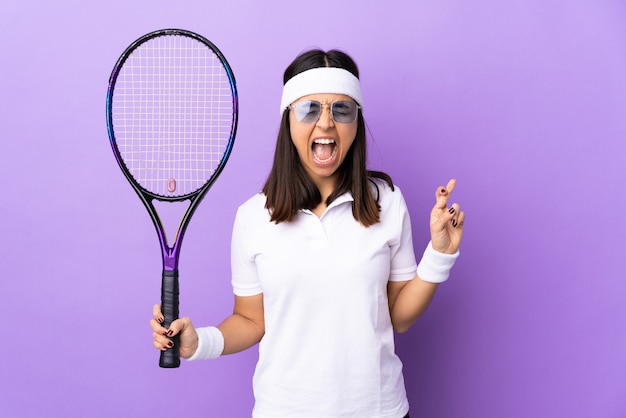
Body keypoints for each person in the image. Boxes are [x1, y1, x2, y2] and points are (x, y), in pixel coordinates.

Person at [150, 49, 465, 418]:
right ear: (289, 121)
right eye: (310, 109)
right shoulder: (253, 217)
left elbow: (400, 317)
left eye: (341, 110)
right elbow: (251, 321)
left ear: (356, 124)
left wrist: (440, 255)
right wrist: (198, 342)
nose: (326, 123)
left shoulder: (387, 202)